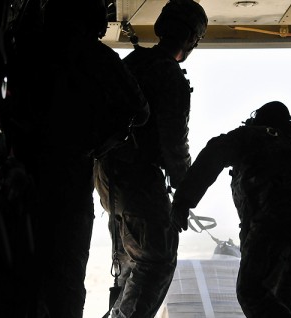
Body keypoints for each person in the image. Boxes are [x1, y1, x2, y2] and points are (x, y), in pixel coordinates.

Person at [9, 1, 150, 317]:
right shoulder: (96, 57)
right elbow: (138, 111)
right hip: (71, 174)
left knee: (23, 269)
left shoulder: (29, 48)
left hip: (22, 173)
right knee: (66, 273)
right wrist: (101, 143)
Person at [93, 1, 208, 317]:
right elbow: (174, 145)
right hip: (138, 179)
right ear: (190, 39)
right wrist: (185, 193)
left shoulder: (133, 62)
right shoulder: (169, 75)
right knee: (157, 259)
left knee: (131, 263)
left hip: (108, 179)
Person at [170, 101, 291, 318]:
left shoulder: (252, 136)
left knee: (251, 292)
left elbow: (215, 153)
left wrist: (183, 200)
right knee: (280, 299)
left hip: (277, 220)